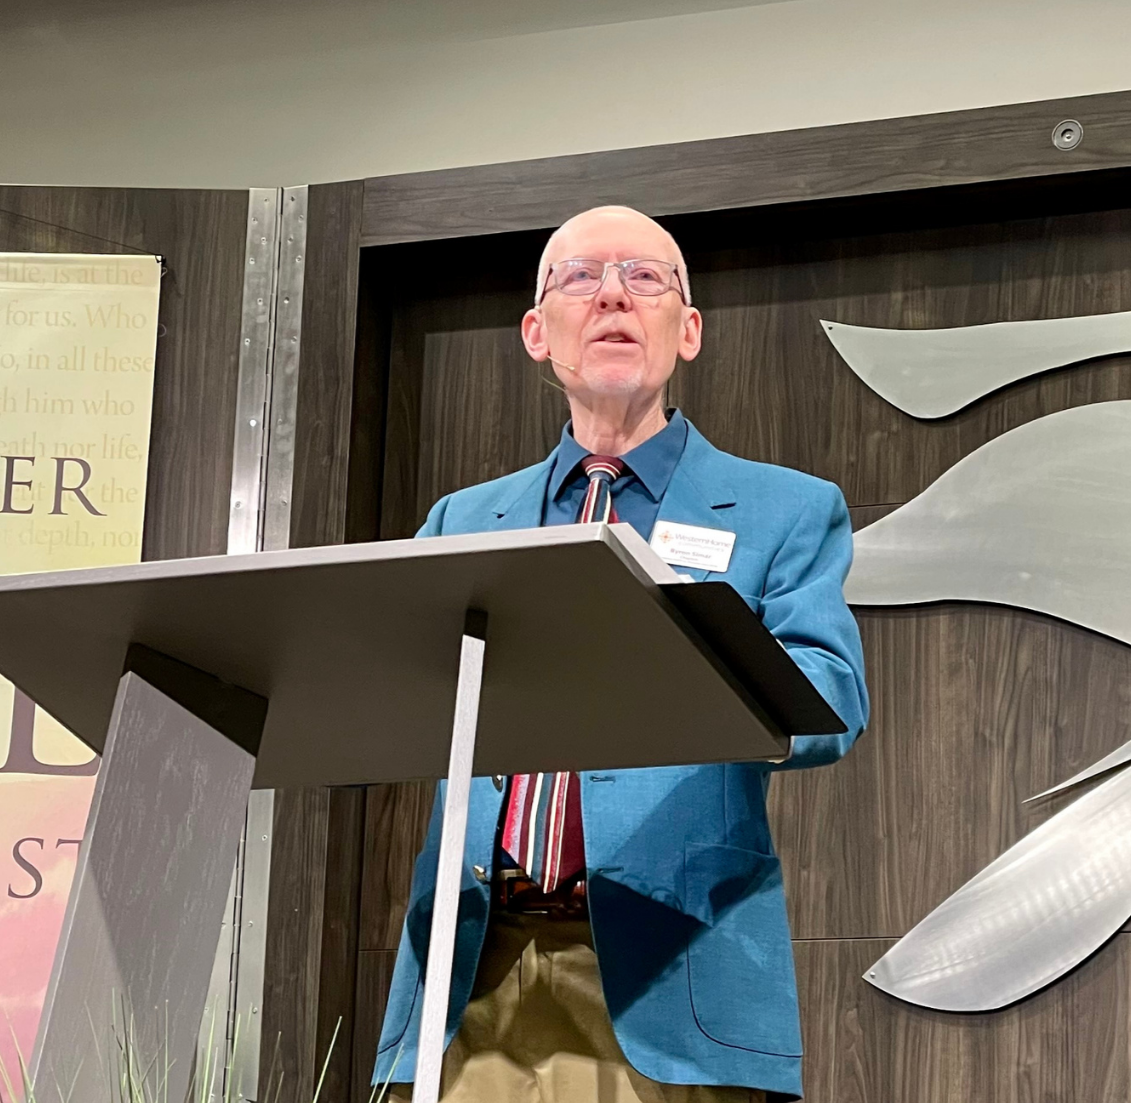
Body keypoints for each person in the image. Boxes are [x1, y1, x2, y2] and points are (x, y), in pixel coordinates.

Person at [372, 206, 869, 1103]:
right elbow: (395, 702)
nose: (611, 294)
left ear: (689, 330)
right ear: (537, 332)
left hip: (673, 975)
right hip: (471, 974)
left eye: (643, 276)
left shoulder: (785, 510)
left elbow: (829, 700)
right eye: (580, 276)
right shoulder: (460, 520)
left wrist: (677, 659)